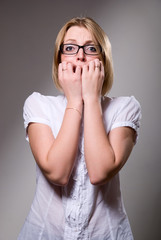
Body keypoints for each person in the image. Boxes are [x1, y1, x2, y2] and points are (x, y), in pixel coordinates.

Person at [18, 17, 141, 240]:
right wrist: (75, 101)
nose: (81, 55)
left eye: (91, 48)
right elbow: (57, 172)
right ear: (59, 59)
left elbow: (100, 172)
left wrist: (91, 98)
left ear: (103, 59)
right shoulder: (38, 105)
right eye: (71, 47)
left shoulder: (125, 107)